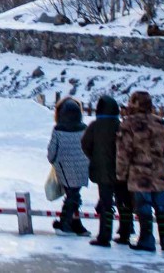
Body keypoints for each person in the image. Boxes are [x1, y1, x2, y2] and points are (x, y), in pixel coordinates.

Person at [117, 90, 164, 253]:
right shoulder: (160, 123)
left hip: (138, 172)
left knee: (143, 206)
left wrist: (121, 173)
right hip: (158, 172)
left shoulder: (128, 124)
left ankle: (147, 239)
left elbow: (123, 151)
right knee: (162, 207)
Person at [82, 94, 133, 247]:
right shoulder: (121, 125)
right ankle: (125, 233)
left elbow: (85, 144)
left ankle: (104, 236)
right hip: (121, 170)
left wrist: (95, 157)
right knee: (123, 202)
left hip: (102, 171)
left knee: (106, 203)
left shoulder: (94, 126)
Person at [47, 97, 91, 236]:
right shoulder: (84, 128)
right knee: (74, 194)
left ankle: (64, 224)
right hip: (83, 165)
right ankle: (75, 224)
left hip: (63, 166)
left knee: (72, 195)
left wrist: (53, 160)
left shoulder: (58, 129)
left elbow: (52, 151)